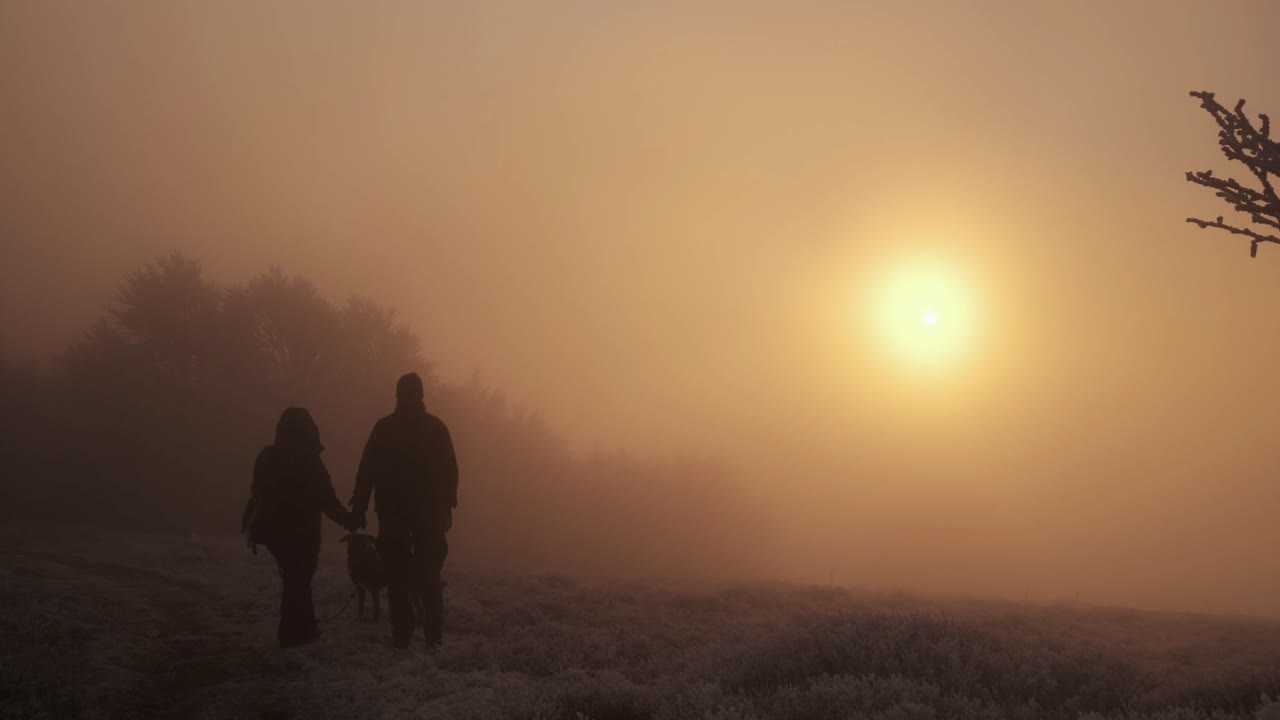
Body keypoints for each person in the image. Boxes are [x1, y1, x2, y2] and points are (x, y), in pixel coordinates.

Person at [350, 372, 458, 649]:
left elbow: (366, 471)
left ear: (398, 395)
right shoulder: (436, 428)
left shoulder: (384, 428)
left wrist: (360, 507)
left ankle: (403, 636)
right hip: (427, 518)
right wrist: (446, 510)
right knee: (428, 578)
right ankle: (433, 638)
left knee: (398, 579)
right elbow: (450, 473)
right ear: (421, 395)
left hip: (393, 517)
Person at [243, 407, 359, 648]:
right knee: (299, 576)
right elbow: (327, 500)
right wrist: (349, 521)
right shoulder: (309, 460)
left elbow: (257, 490)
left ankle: (301, 627)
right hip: (302, 532)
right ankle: (294, 631)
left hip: (274, 531)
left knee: (295, 576)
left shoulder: (268, 456)